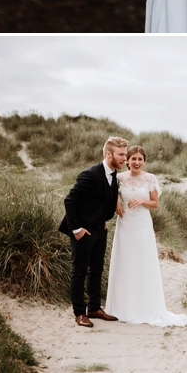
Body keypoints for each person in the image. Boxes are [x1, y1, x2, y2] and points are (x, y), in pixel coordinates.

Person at [104, 147, 187, 327]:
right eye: (133, 159)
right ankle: (121, 308)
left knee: (143, 263)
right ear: (127, 160)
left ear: (144, 161)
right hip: (125, 225)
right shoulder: (119, 178)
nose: (136, 162)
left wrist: (142, 201)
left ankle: (145, 307)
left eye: (140, 159)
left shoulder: (150, 178)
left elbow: (155, 204)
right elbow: (109, 196)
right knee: (125, 262)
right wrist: (116, 203)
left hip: (142, 227)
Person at [59, 136, 127, 327]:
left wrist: (104, 220)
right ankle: (80, 313)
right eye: (121, 155)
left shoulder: (114, 175)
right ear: (108, 154)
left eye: (125, 154)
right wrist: (77, 229)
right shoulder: (89, 174)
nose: (125, 159)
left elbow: (105, 199)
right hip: (82, 231)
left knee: (96, 270)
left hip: (99, 229)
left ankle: (95, 308)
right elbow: (70, 201)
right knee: (79, 272)